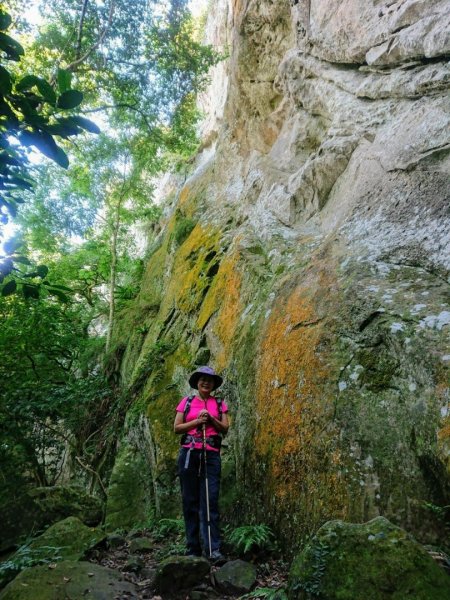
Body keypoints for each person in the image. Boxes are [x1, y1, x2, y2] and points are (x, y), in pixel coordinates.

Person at [174, 366, 229, 560]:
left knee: (210, 500)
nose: (206, 382)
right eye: (202, 379)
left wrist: (211, 418)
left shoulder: (220, 403)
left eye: (210, 380)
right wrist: (197, 422)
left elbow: (225, 428)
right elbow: (177, 428)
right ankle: (193, 549)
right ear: (197, 382)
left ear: (214, 384)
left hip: (211, 455)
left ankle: (213, 549)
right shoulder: (187, 402)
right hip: (190, 453)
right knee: (190, 500)